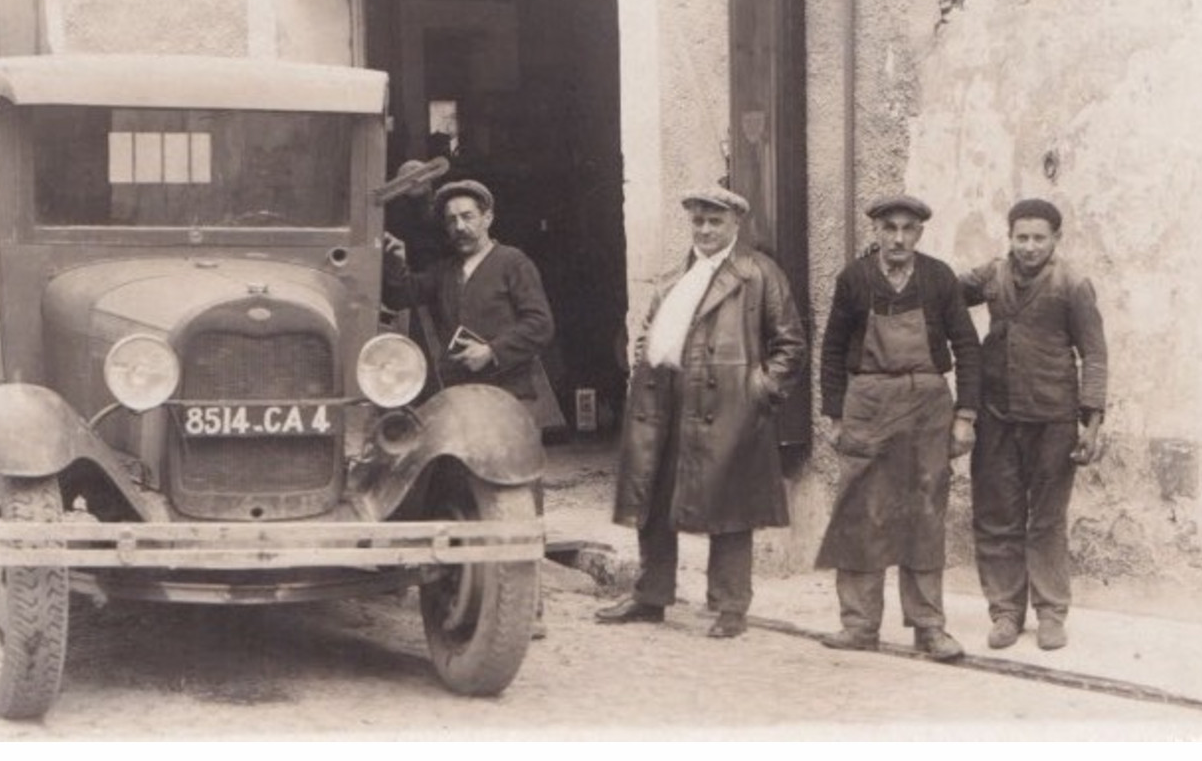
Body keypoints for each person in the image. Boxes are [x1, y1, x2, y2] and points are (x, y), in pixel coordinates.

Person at [596, 187, 806, 639]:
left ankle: (731, 606)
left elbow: (790, 345)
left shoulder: (758, 274)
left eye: (715, 222)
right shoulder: (675, 277)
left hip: (727, 406)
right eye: (699, 222)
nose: (706, 230)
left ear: (736, 224)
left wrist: (759, 391)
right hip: (664, 401)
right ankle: (651, 595)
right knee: (652, 496)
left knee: (730, 506)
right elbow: (651, 332)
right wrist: (642, 356)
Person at [815, 194, 981, 661]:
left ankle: (929, 628)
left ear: (920, 234)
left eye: (909, 229)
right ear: (875, 231)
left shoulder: (938, 278)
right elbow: (830, 352)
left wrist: (965, 416)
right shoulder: (853, 280)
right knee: (860, 513)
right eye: (890, 228)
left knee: (924, 515)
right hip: (868, 402)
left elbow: (968, 348)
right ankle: (860, 624)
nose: (899, 238)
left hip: (928, 404)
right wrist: (835, 416)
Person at [958, 198, 1108, 652]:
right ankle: (1005, 612)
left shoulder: (1073, 285)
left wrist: (1092, 423)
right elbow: (941, 293)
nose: (1028, 247)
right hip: (997, 416)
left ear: (1056, 240)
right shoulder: (992, 277)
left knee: (1045, 521)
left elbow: (1095, 355)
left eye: (1038, 238)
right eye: (1021, 237)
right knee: (996, 516)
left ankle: (1050, 614)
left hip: (1053, 418)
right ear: (1010, 238)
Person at [381, 179, 559, 423]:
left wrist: (491, 351)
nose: (460, 226)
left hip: (507, 399)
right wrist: (397, 263)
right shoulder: (444, 270)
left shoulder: (513, 262)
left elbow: (540, 325)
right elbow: (402, 296)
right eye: (451, 220)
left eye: (467, 216)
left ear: (487, 219)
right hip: (460, 399)